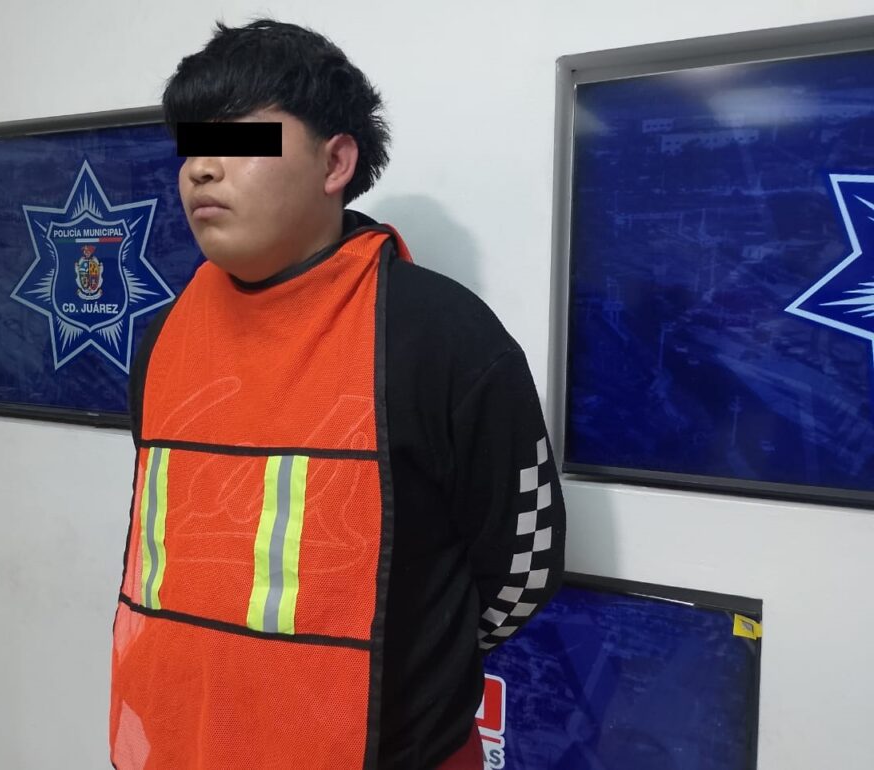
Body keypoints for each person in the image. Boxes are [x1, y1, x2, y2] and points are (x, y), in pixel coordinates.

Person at [109, 16, 566, 770]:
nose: (200, 170)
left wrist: (404, 664)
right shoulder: (162, 338)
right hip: (181, 745)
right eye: (191, 145)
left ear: (336, 162)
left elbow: (521, 568)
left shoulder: (441, 337)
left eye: (241, 140)